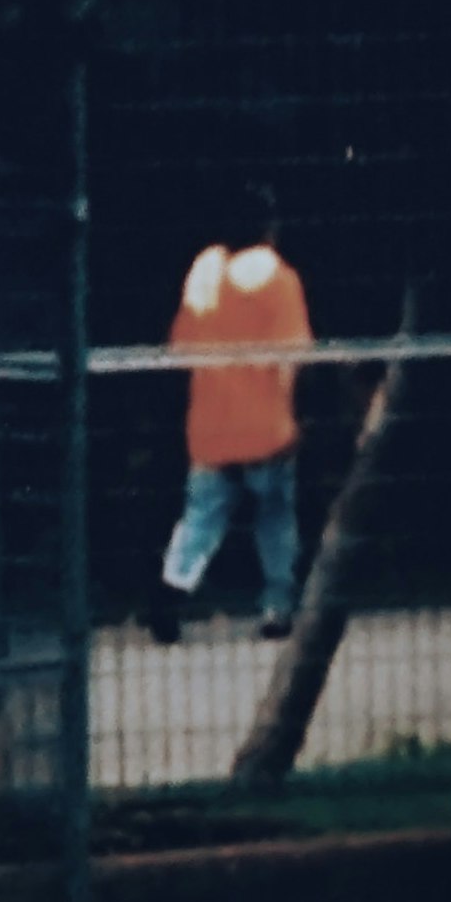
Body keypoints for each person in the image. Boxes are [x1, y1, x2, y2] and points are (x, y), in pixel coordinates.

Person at [150, 231, 315, 642]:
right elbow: (291, 356)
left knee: (200, 519)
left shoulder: (205, 278)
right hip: (266, 430)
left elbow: (180, 349)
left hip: (212, 428)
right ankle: (277, 610)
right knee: (275, 519)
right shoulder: (280, 280)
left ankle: (171, 595)